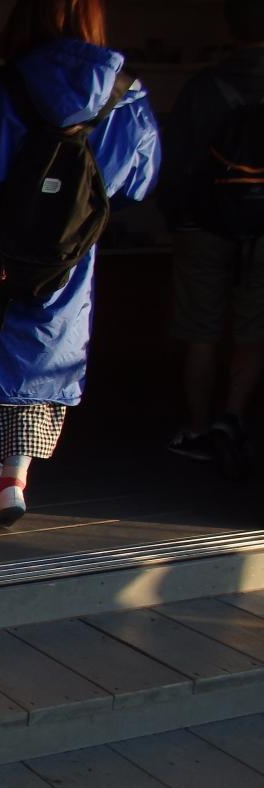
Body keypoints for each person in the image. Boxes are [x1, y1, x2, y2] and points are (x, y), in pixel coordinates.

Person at [0, 0, 161, 525]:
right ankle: (14, 478)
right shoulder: (128, 98)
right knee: (42, 359)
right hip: (67, 260)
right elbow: (140, 184)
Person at [159, 0, 264, 479]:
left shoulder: (203, 87)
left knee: (200, 329)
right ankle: (232, 418)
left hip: (202, 226)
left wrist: (178, 219)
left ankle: (199, 428)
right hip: (260, 230)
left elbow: (174, 161)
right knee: (253, 328)